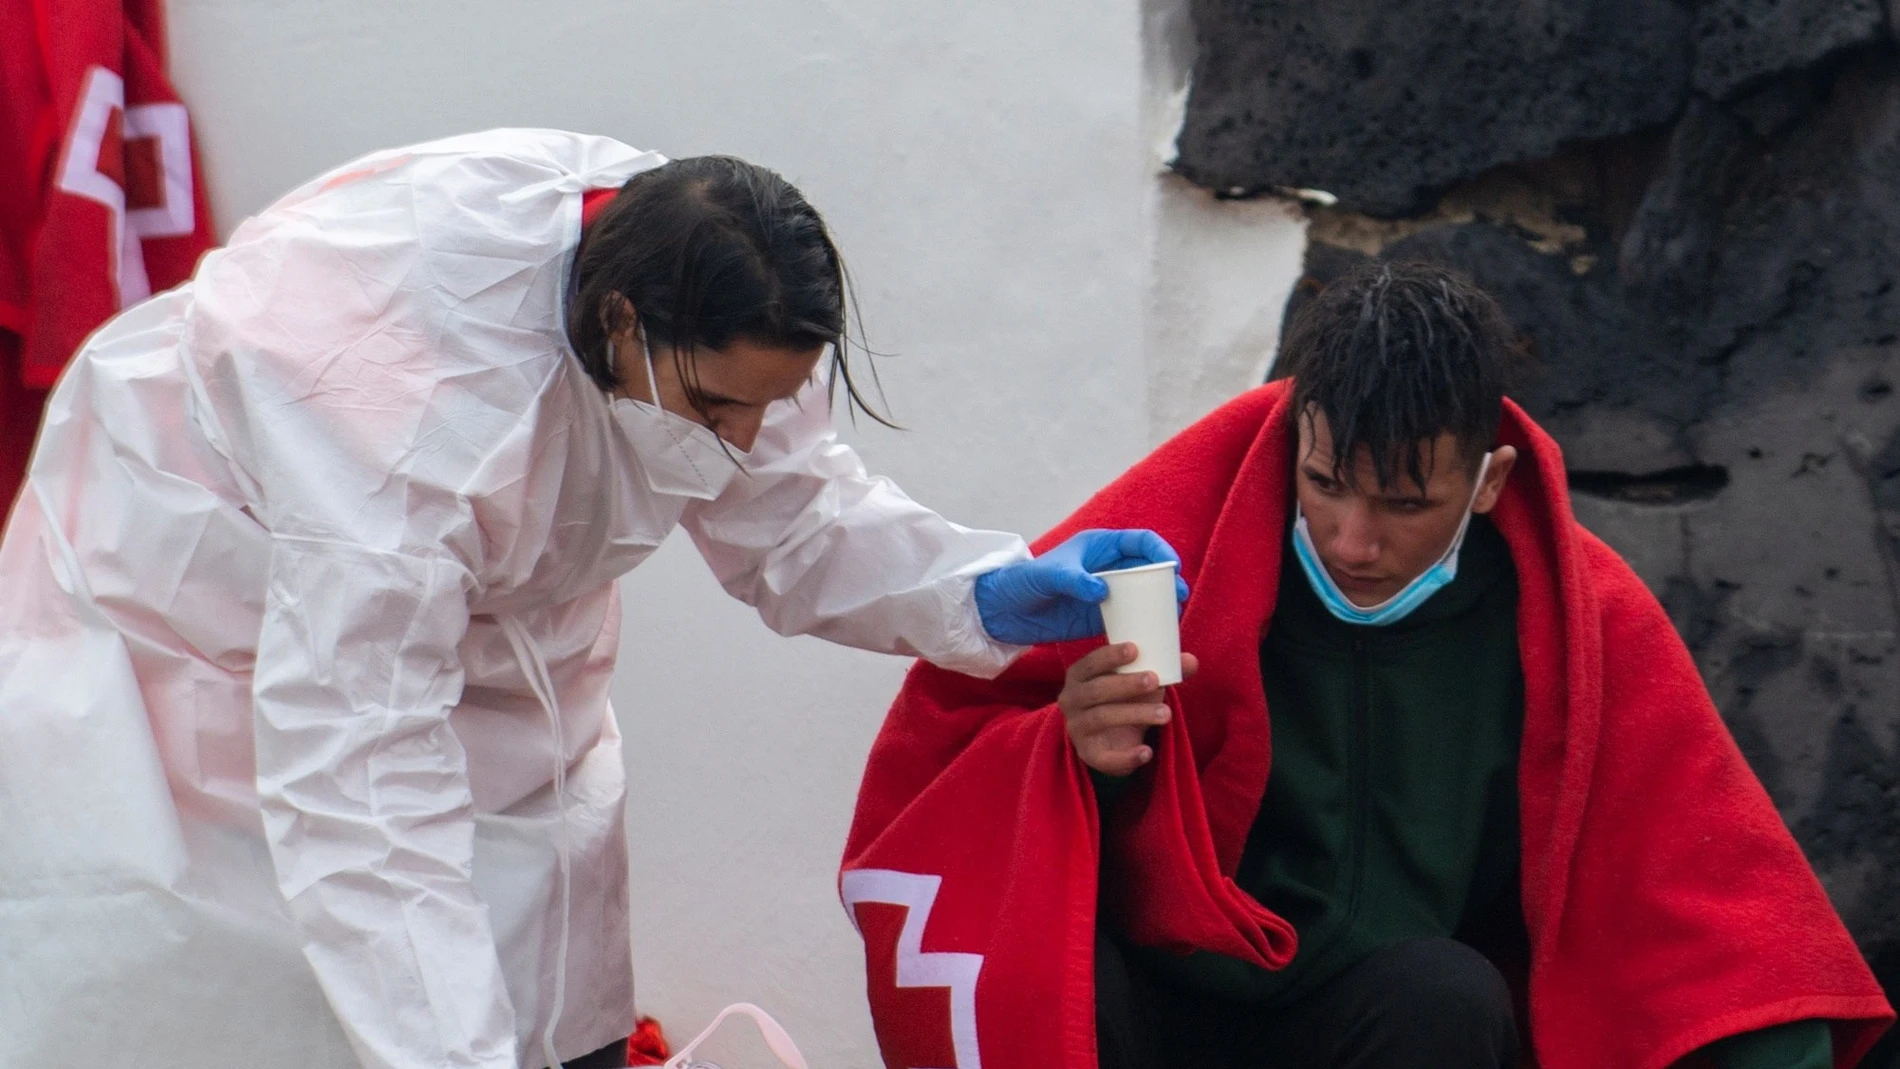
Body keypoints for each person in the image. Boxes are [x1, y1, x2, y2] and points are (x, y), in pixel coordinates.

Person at [0, 129, 1180, 1069]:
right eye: (720, 412)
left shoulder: (700, 294)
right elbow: (359, 791)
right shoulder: (399, 415)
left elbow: (799, 516)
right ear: (623, 327)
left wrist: (979, 589)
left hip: (487, 652)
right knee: (213, 988)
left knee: (549, 958)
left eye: (767, 406)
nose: (743, 442)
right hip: (193, 634)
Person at [841, 261, 1892, 1069]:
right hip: (1157, 1004)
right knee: (1053, 972)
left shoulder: (1574, 615)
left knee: (1449, 994)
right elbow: (951, 754)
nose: (1350, 538)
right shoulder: (1172, 537)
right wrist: (1070, 753)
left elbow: (1705, 905)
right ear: (1296, 433)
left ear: (1488, 482)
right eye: (1325, 482)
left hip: (1367, 1023)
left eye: (1404, 502)